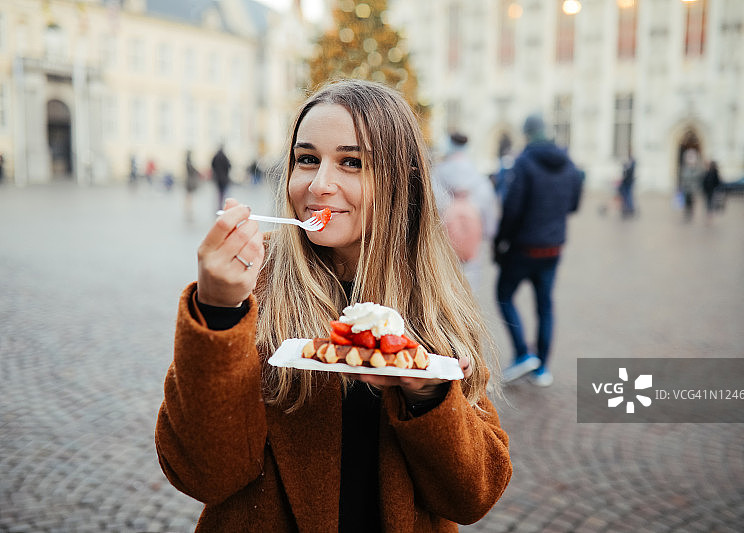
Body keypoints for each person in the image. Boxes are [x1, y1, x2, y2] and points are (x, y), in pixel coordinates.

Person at [155, 79, 512, 532]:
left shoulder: (433, 296)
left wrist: (428, 395)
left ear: (401, 181)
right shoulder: (251, 282)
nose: (320, 184)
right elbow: (204, 475)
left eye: (351, 162)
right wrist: (219, 312)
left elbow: (472, 496)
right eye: (307, 160)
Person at [493, 114, 583, 387]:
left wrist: (500, 242)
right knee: (545, 306)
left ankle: (522, 353)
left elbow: (512, 209)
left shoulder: (524, 162)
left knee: (504, 295)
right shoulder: (569, 164)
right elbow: (573, 206)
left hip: (523, 248)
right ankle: (542, 368)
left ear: (528, 133)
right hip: (553, 249)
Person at [432, 132, 498, 292]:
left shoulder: (437, 174)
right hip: (471, 248)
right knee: (469, 290)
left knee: (444, 289)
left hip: (443, 246)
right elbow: (489, 216)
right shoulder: (477, 176)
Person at [679, 148, 704, 222]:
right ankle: (687, 213)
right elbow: (682, 179)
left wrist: (698, 188)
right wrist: (681, 187)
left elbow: (699, 179)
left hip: (693, 189)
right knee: (686, 202)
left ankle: (691, 214)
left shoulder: (697, 169)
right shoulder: (684, 168)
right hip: (686, 189)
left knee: (692, 203)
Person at [211, 145, 232, 211]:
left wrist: (215, 172)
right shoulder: (225, 157)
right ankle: (225, 206)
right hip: (224, 178)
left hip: (217, 178)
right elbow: (229, 165)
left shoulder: (216, 156)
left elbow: (212, 164)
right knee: (224, 193)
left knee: (219, 193)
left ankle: (219, 206)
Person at [184, 150, 201, 221]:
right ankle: (188, 208)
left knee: (189, 195)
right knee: (189, 196)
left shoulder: (187, 162)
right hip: (190, 182)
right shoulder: (189, 163)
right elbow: (194, 171)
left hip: (188, 181)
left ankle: (188, 208)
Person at [618, 154, 636, 218]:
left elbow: (626, 175)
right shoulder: (629, 168)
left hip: (628, 183)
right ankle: (628, 207)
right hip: (627, 183)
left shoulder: (630, 168)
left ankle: (629, 207)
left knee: (628, 196)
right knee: (627, 196)